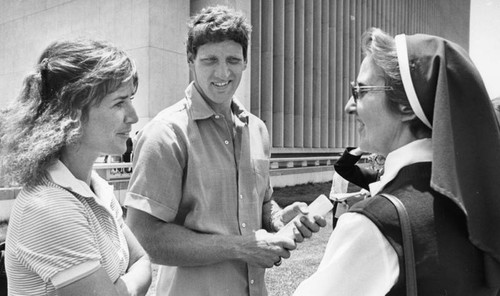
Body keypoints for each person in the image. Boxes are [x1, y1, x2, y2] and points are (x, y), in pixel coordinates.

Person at [124, 5, 326, 296]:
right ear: (191, 60)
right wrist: (243, 247)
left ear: (245, 61)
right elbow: (144, 236)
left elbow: (262, 205)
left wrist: (280, 219)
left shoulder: (257, 130)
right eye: (210, 60)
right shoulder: (166, 133)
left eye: (233, 59)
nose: (223, 72)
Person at [294, 28, 500, 295]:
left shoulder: (373, 225)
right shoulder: (478, 210)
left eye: (361, 90)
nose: (349, 106)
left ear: (405, 106)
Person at [0, 39, 152, 295]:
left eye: (131, 99)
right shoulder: (49, 206)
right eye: (119, 102)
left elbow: (144, 261)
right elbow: (138, 268)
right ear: (73, 112)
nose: (133, 116)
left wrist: (118, 289)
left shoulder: (96, 187)